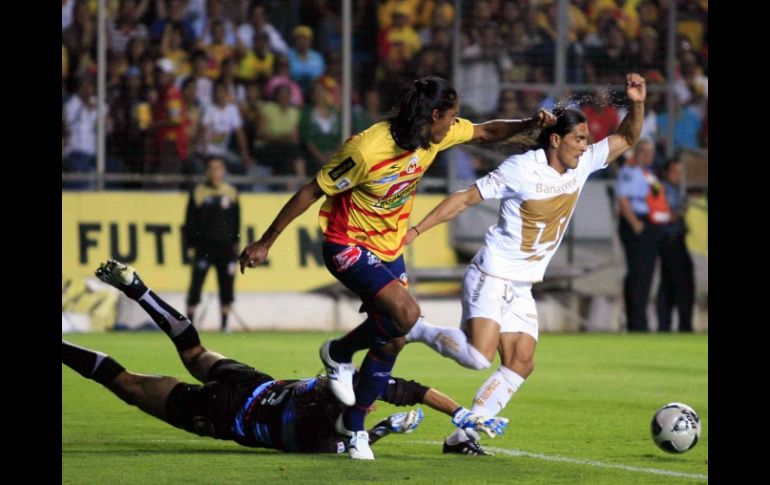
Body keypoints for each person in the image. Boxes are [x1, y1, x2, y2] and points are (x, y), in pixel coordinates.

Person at [238, 76, 554, 459]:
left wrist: (528, 125)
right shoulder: (367, 149)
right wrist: (267, 241)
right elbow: (311, 190)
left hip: (388, 249)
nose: (456, 123)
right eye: (451, 116)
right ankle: (338, 351)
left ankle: (353, 428)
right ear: (434, 114)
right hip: (347, 241)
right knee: (408, 313)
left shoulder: (438, 134)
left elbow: (486, 133)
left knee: (395, 338)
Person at [402, 73, 647, 450]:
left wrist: (637, 103)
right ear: (555, 140)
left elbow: (628, 137)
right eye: (578, 139)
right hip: (492, 274)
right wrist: (417, 230)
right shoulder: (522, 169)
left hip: (521, 284)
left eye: (586, 139)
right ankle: (418, 330)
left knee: (521, 362)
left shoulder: (582, 163)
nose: (585, 146)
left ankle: (463, 436)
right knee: (478, 357)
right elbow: (466, 198)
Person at [62, 260, 508, 455]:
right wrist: (383, 431)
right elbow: (336, 441)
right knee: (128, 385)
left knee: (194, 351)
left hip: (257, 383)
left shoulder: (355, 378)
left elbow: (416, 390)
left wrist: (462, 411)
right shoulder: (347, 414)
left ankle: (141, 291)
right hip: (231, 415)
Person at [615, 137, 666, 331]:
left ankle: (639, 320)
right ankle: (636, 323)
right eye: (644, 151)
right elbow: (623, 199)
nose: (648, 156)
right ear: (636, 153)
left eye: (651, 152)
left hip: (649, 222)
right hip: (636, 221)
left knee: (645, 273)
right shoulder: (629, 172)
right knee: (638, 273)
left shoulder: (649, 174)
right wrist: (635, 223)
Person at [184, 156, 240, 332]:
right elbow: (189, 221)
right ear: (207, 171)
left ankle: (224, 323)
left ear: (223, 171)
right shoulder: (198, 192)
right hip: (204, 247)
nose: (215, 172)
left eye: (219, 168)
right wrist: (191, 245)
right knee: (196, 285)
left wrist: (236, 242)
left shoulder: (231, 192)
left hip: (226, 248)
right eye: (212, 168)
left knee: (227, 286)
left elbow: (237, 220)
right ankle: (190, 323)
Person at [655, 158, 694, 332]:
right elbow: (666, 215)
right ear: (666, 173)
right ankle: (683, 325)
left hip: (675, 239)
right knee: (682, 282)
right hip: (671, 239)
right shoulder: (664, 190)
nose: (679, 176)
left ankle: (666, 324)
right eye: (675, 172)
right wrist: (682, 210)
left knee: (668, 283)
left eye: (680, 172)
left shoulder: (676, 190)